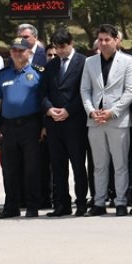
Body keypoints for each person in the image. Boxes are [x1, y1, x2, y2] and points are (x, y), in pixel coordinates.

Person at [79, 24, 132, 217]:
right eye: (100, 40)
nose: (103, 43)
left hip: (117, 119)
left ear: (116, 40)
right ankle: (99, 202)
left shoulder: (128, 62)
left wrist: (113, 111)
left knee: (120, 164)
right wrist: (91, 111)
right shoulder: (90, 62)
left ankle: (121, 201)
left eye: (107, 40)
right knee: (98, 164)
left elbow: (131, 90)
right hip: (95, 120)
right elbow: (85, 90)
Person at [0, 37, 46, 218]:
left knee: (32, 168)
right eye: (14, 50)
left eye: (21, 50)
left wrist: (44, 126)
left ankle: (32, 206)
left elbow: (44, 100)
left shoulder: (38, 72)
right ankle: (11, 206)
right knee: (9, 168)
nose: (17, 53)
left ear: (29, 53)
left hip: (31, 125)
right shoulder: (3, 74)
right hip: (8, 127)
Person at [41, 29, 88, 217]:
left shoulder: (83, 62)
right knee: (58, 167)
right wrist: (49, 109)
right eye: (56, 48)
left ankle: (82, 203)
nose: (59, 51)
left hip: (75, 122)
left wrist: (69, 110)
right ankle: (62, 204)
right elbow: (43, 92)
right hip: (54, 124)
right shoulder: (51, 66)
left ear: (71, 43)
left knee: (78, 165)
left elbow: (84, 91)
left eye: (62, 47)